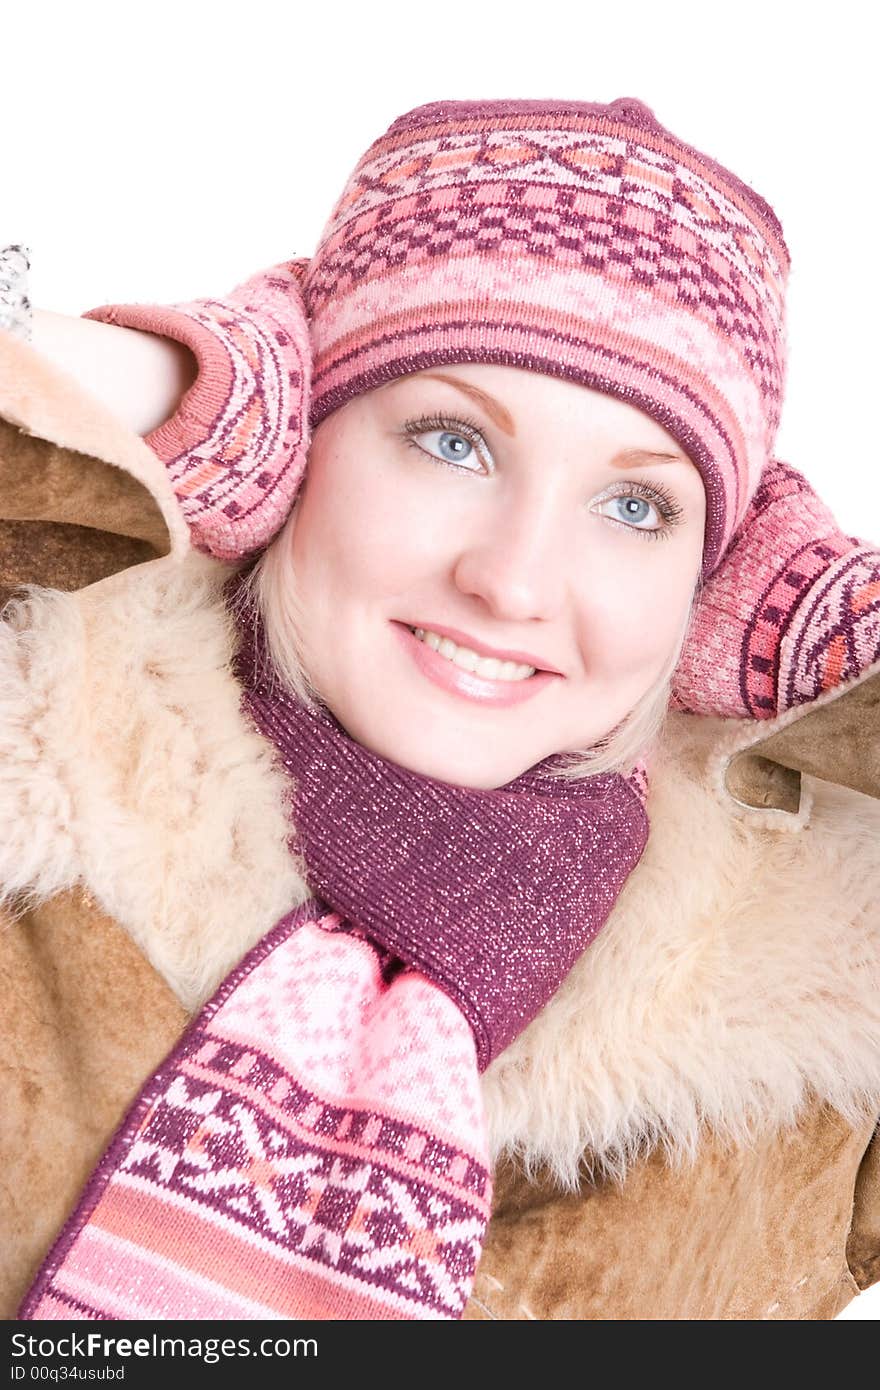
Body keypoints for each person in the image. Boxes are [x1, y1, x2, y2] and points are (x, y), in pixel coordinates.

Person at [15, 96, 880, 1320]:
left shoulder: (814, 1052)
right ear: (295, 442)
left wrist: (833, 641)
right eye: (449, 441)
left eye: (637, 509)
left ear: (715, 583)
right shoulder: (35, 768)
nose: (514, 581)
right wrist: (177, 388)